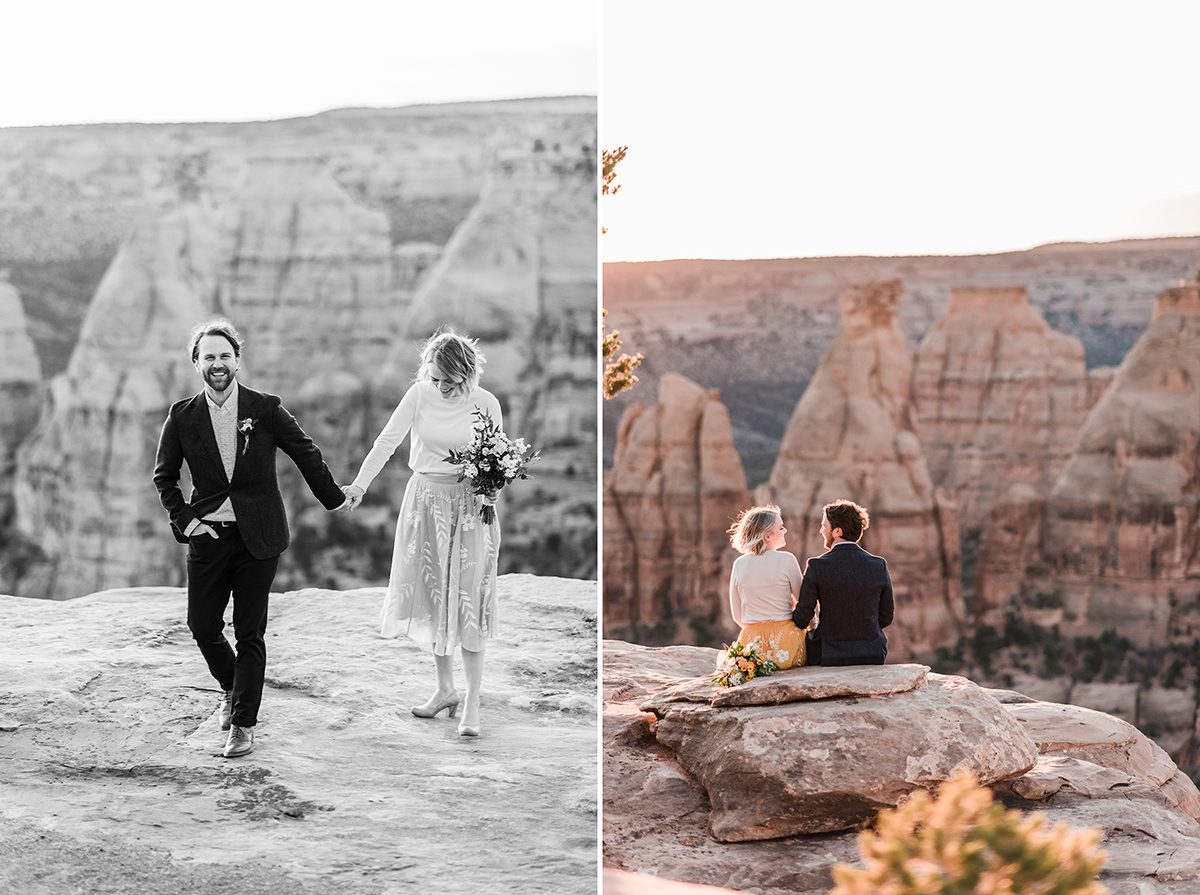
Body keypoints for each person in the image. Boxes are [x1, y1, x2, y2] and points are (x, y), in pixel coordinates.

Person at [153, 319, 349, 758]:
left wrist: (334, 499)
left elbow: (306, 451)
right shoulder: (182, 416)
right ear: (196, 363)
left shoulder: (265, 409)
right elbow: (164, 477)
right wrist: (186, 522)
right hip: (208, 536)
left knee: (250, 633)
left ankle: (243, 724)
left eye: (225, 356)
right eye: (209, 357)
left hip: (258, 538)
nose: (218, 364)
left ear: (237, 361)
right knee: (202, 626)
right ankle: (230, 687)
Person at [341, 328, 502, 737]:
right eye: (435, 379)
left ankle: (472, 701)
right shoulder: (419, 394)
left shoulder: (486, 404)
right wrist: (360, 484)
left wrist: (491, 490)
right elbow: (387, 441)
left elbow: (496, 465)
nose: (441, 387)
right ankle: (445, 689)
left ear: (467, 375)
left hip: (469, 506)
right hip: (425, 501)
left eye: (450, 382)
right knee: (434, 594)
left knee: (468, 598)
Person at [792, 498, 894, 666]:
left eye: (824, 526)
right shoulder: (878, 565)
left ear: (837, 531)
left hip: (828, 655)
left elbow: (802, 618)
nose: (820, 530)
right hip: (871, 653)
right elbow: (886, 617)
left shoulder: (816, 566)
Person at [726, 504, 809, 669]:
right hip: (787, 641)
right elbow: (804, 603)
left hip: (751, 644)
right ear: (767, 536)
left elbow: (737, 615)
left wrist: (759, 629)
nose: (785, 531)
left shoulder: (739, 564)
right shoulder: (787, 560)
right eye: (781, 527)